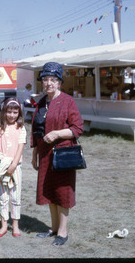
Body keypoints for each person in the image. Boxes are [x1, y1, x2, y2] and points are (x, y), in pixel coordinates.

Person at [31, 62, 83, 246]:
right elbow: (36, 128)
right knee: (49, 191)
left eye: (53, 80)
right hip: (45, 154)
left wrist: (57, 133)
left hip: (63, 154)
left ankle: (63, 231)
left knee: (63, 193)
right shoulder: (42, 101)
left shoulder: (68, 101)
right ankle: (53, 228)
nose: (49, 83)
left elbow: (77, 128)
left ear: (59, 82)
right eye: (45, 79)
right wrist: (35, 152)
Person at [0, 97, 27, 238]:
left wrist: (13, 164)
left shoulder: (21, 128)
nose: (12, 115)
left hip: (16, 167)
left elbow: (20, 147)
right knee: (3, 197)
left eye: (15, 112)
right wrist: (3, 162)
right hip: (1, 168)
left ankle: (15, 225)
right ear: (4, 111)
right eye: (9, 112)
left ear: (19, 113)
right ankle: (3, 225)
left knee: (15, 197)